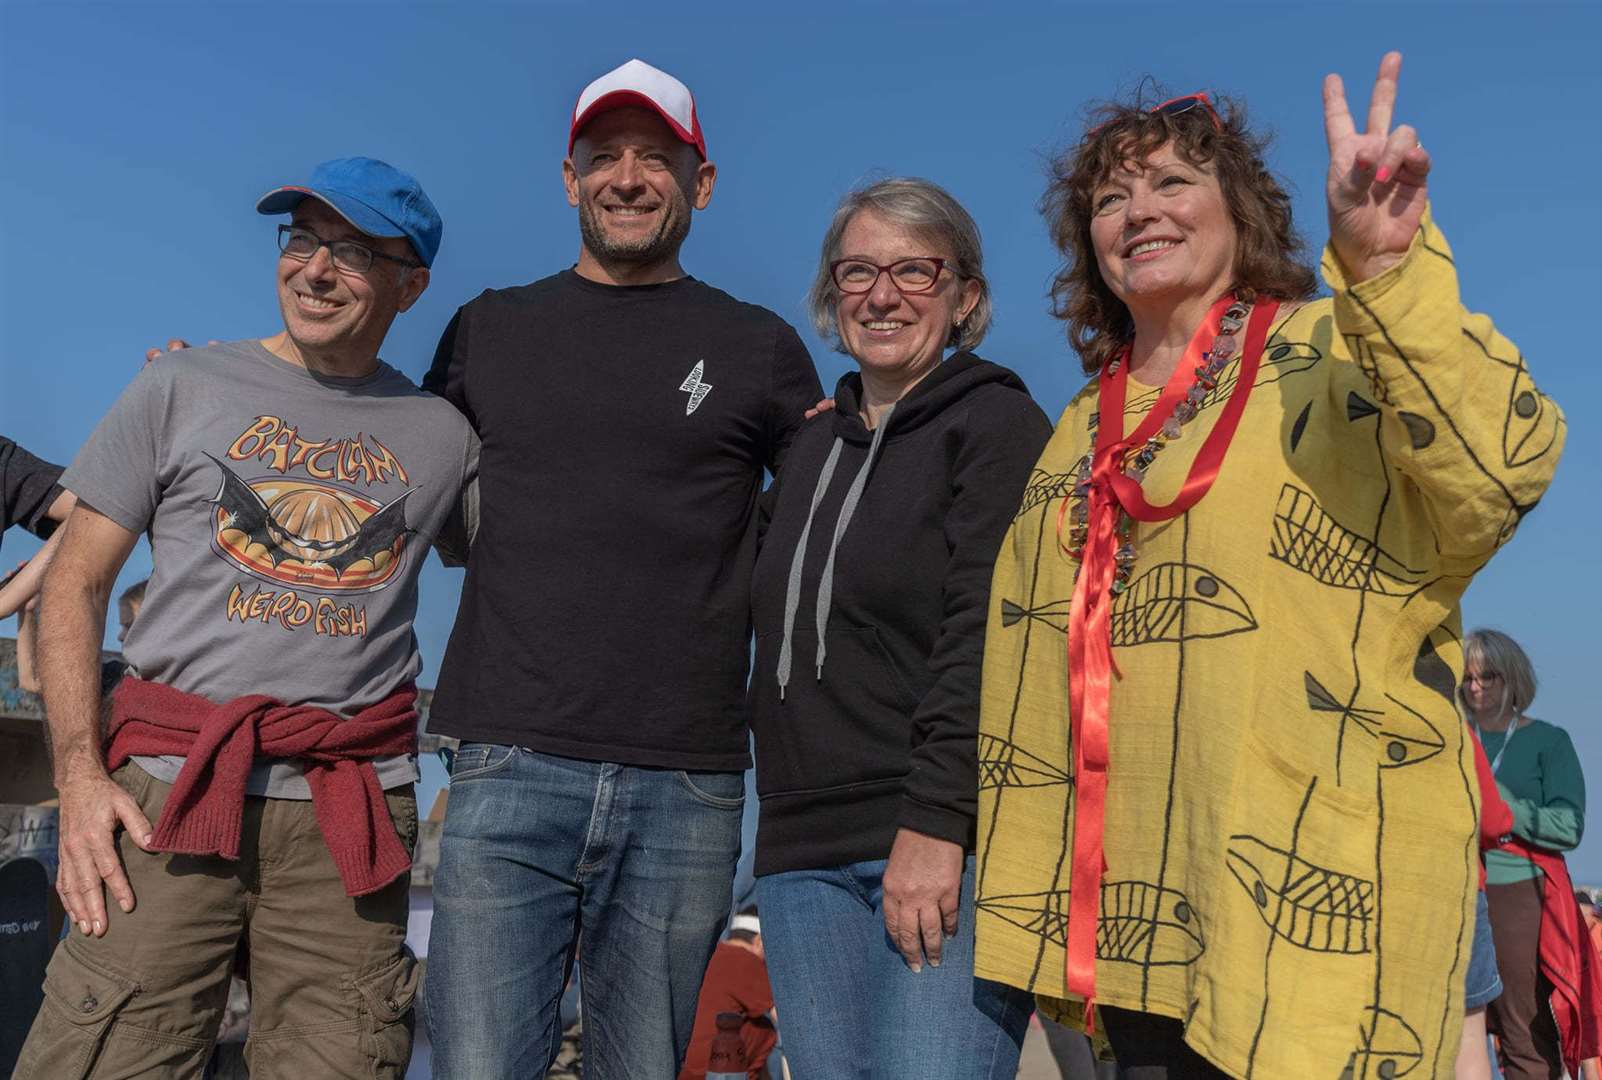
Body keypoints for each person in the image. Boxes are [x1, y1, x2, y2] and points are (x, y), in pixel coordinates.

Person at [974, 53, 1565, 1077]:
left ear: (1240, 210)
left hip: (1306, 919)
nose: (1137, 210)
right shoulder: (1078, 426)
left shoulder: (1336, 348)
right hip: (1121, 935)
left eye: (1170, 182)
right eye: (1110, 197)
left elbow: (1506, 468)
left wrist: (1388, 274)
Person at [15, 157, 478, 1078]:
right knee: (104, 1058)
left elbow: (554, 562)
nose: (314, 269)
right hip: (166, 791)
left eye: (353, 254)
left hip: (350, 807)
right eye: (302, 239)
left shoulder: (447, 437)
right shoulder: (180, 386)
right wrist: (77, 776)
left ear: (410, 285)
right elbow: (73, 584)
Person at [420, 59, 822, 1078]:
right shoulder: (485, 330)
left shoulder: (762, 348)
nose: (630, 177)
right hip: (507, 761)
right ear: (569, 178)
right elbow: (383, 465)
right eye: (606, 157)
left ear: (704, 181)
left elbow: (835, 524)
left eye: (657, 157)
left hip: (687, 782)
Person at [746, 177, 1046, 1077]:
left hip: (933, 843)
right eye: (859, 271)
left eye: (916, 271)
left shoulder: (995, 424)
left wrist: (937, 822)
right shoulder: (804, 451)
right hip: (799, 856)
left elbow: (986, 635)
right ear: (831, 298)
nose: (883, 295)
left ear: (967, 297)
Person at [1462, 628, 1597, 1078]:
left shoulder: (1549, 742)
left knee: (1522, 1027)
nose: (1476, 687)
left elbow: (1569, 826)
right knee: (1456, 1026)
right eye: (1468, 678)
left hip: (1518, 889)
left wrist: (1501, 810)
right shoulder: (1453, 737)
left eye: (1489, 676)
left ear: (1514, 678)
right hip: (1453, 887)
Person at [679, 907, 777, 1080]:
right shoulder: (745, 961)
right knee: (764, 1029)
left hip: (681, 1067)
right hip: (708, 1071)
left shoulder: (713, 954)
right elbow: (783, 1014)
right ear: (760, 941)